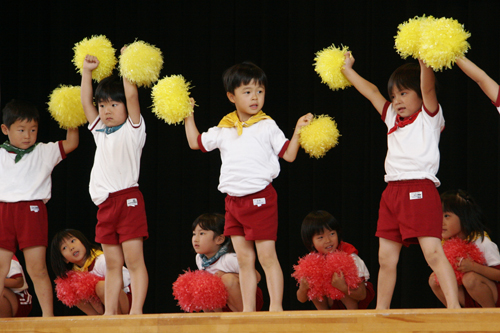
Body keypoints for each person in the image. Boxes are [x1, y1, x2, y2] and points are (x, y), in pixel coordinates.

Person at [184, 62, 313, 311]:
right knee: (244, 259)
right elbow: (194, 142)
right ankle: (248, 311)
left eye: (260, 91)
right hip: (233, 202)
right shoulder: (224, 127)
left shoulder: (267, 125)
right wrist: (188, 114)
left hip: (260, 199)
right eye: (247, 91)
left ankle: (275, 308)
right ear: (231, 96)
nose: (255, 97)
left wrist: (297, 131)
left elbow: (288, 155)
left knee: (266, 256)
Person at [341, 52, 460, 309]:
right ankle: (380, 313)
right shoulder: (392, 118)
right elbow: (372, 92)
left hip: (420, 189)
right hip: (391, 192)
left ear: (419, 94)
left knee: (433, 253)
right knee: (385, 258)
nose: (397, 101)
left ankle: (454, 308)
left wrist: (424, 62)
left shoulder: (430, 117)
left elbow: (427, 86)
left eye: (403, 93)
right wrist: (347, 69)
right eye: (394, 96)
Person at [81, 49, 148, 315]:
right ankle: (110, 314)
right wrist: (87, 72)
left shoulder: (134, 129)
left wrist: (127, 65)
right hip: (105, 205)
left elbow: (131, 95)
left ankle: (136, 312)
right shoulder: (100, 132)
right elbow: (86, 103)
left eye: (113, 104)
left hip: (128, 200)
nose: (106, 110)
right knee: (111, 264)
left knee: (134, 261)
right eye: (103, 105)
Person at [0, 99, 79, 316]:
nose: (27, 135)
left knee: (37, 268)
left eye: (33, 129)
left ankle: (48, 318)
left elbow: (71, 143)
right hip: (3, 212)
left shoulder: (44, 151)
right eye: (21, 130)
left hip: (31, 212)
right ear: (5, 129)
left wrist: (70, 115)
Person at [429, 190, 500, 308]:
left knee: (470, 278)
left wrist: (474, 267)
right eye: (438, 216)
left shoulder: (482, 242)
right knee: (434, 279)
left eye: (446, 216)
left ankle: (491, 316)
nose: (440, 221)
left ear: (463, 217)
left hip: (493, 295)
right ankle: (457, 313)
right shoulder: (444, 244)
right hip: (469, 296)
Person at [296, 210, 374, 310]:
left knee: (339, 284)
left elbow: (362, 294)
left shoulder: (349, 255)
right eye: (320, 237)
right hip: (333, 300)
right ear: (311, 243)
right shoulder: (312, 260)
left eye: (332, 234)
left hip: (356, 296)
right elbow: (301, 299)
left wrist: (343, 287)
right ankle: (324, 317)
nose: (328, 240)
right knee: (315, 284)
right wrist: (303, 288)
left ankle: (353, 317)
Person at [191, 213, 263, 312]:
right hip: (224, 304)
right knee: (202, 284)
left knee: (227, 279)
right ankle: (214, 321)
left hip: (247, 299)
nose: (195, 239)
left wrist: (227, 275)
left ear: (219, 239)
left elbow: (257, 277)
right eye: (194, 234)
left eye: (202, 233)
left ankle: (245, 317)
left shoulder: (229, 259)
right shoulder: (199, 258)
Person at [50, 229, 131, 315]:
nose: (71, 247)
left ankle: (116, 319)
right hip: (104, 306)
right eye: (64, 248)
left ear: (82, 241)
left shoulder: (101, 260)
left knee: (101, 286)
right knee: (72, 290)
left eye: (73, 241)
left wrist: (94, 286)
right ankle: (96, 320)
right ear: (64, 259)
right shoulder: (75, 273)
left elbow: (121, 283)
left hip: (125, 297)